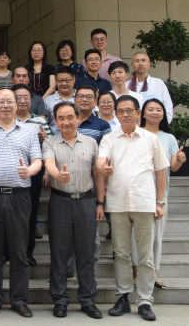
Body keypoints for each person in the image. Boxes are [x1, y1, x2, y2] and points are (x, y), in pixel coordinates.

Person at [97, 95, 169, 321]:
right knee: (121, 254)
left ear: (138, 113)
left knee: (145, 255)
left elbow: (160, 172)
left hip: (144, 203)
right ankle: (123, 297)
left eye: (130, 110)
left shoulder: (151, 139)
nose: (125, 114)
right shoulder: (109, 139)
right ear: (116, 115)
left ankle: (145, 301)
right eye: (121, 111)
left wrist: (160, 202)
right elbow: (101, 160)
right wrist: (103, 168)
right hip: (118, 203)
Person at [0, 88, 42, 318]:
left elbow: (38, 160)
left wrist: (29, 171)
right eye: (1, 101)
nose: (5, 105)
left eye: (9, 101)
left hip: (19, 197)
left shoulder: (29, 131)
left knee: (19, 252)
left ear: (17, 103)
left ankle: (19, 299)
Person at [43, 101, 105, 319]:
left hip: (86, 203)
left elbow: (97, 175)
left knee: (86, 254)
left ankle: (87, 300)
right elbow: (48, 163)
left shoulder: (91, 143)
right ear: (55, 121)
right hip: (60, 201)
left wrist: (100, 203)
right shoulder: (50, 142)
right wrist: (56, 175)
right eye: (60, 118)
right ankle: (60, 300)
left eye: (70, 117)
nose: (66, 122)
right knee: (59, 253)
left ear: (78, 118)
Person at [138, 99, 185, 289]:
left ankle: (154, 274)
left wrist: (180, 159)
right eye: (150, 109)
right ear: (143, 113)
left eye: (159, 109)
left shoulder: (169, 138)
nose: (154, 112)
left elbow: (173, 167)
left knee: (157, 236)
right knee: (137, 235)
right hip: (138, 191)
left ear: (164, 114)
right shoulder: (136, 134)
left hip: (160, 193)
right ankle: (136, 273)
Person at [11, 84, 51, 263]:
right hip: (11, 172)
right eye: (18, 97)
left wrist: (44, 140)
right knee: (10, 212)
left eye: (26, 97)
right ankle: (8, 250)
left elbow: (49, 149)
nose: (22, 100)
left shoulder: (40, 122)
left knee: (31, 210)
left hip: (34, 171)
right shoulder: (6, 120)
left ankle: (28, 252)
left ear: (32, 100)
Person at [128, 52, 174, 123]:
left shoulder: (158, 83)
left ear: (149, 64)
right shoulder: (126, 85)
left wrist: (162, 126)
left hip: (155, 126)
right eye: (137, 61)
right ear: (132, 65)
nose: (140, 63)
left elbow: (168, 108)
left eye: (143, 60)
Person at [45, 66, 77, 135]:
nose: (64, 83)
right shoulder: (48, 100)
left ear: (74, 79)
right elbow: (45, 124)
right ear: (55, 80)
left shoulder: (81, 98)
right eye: (60, 80)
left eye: (67, 80)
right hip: (54, 139)